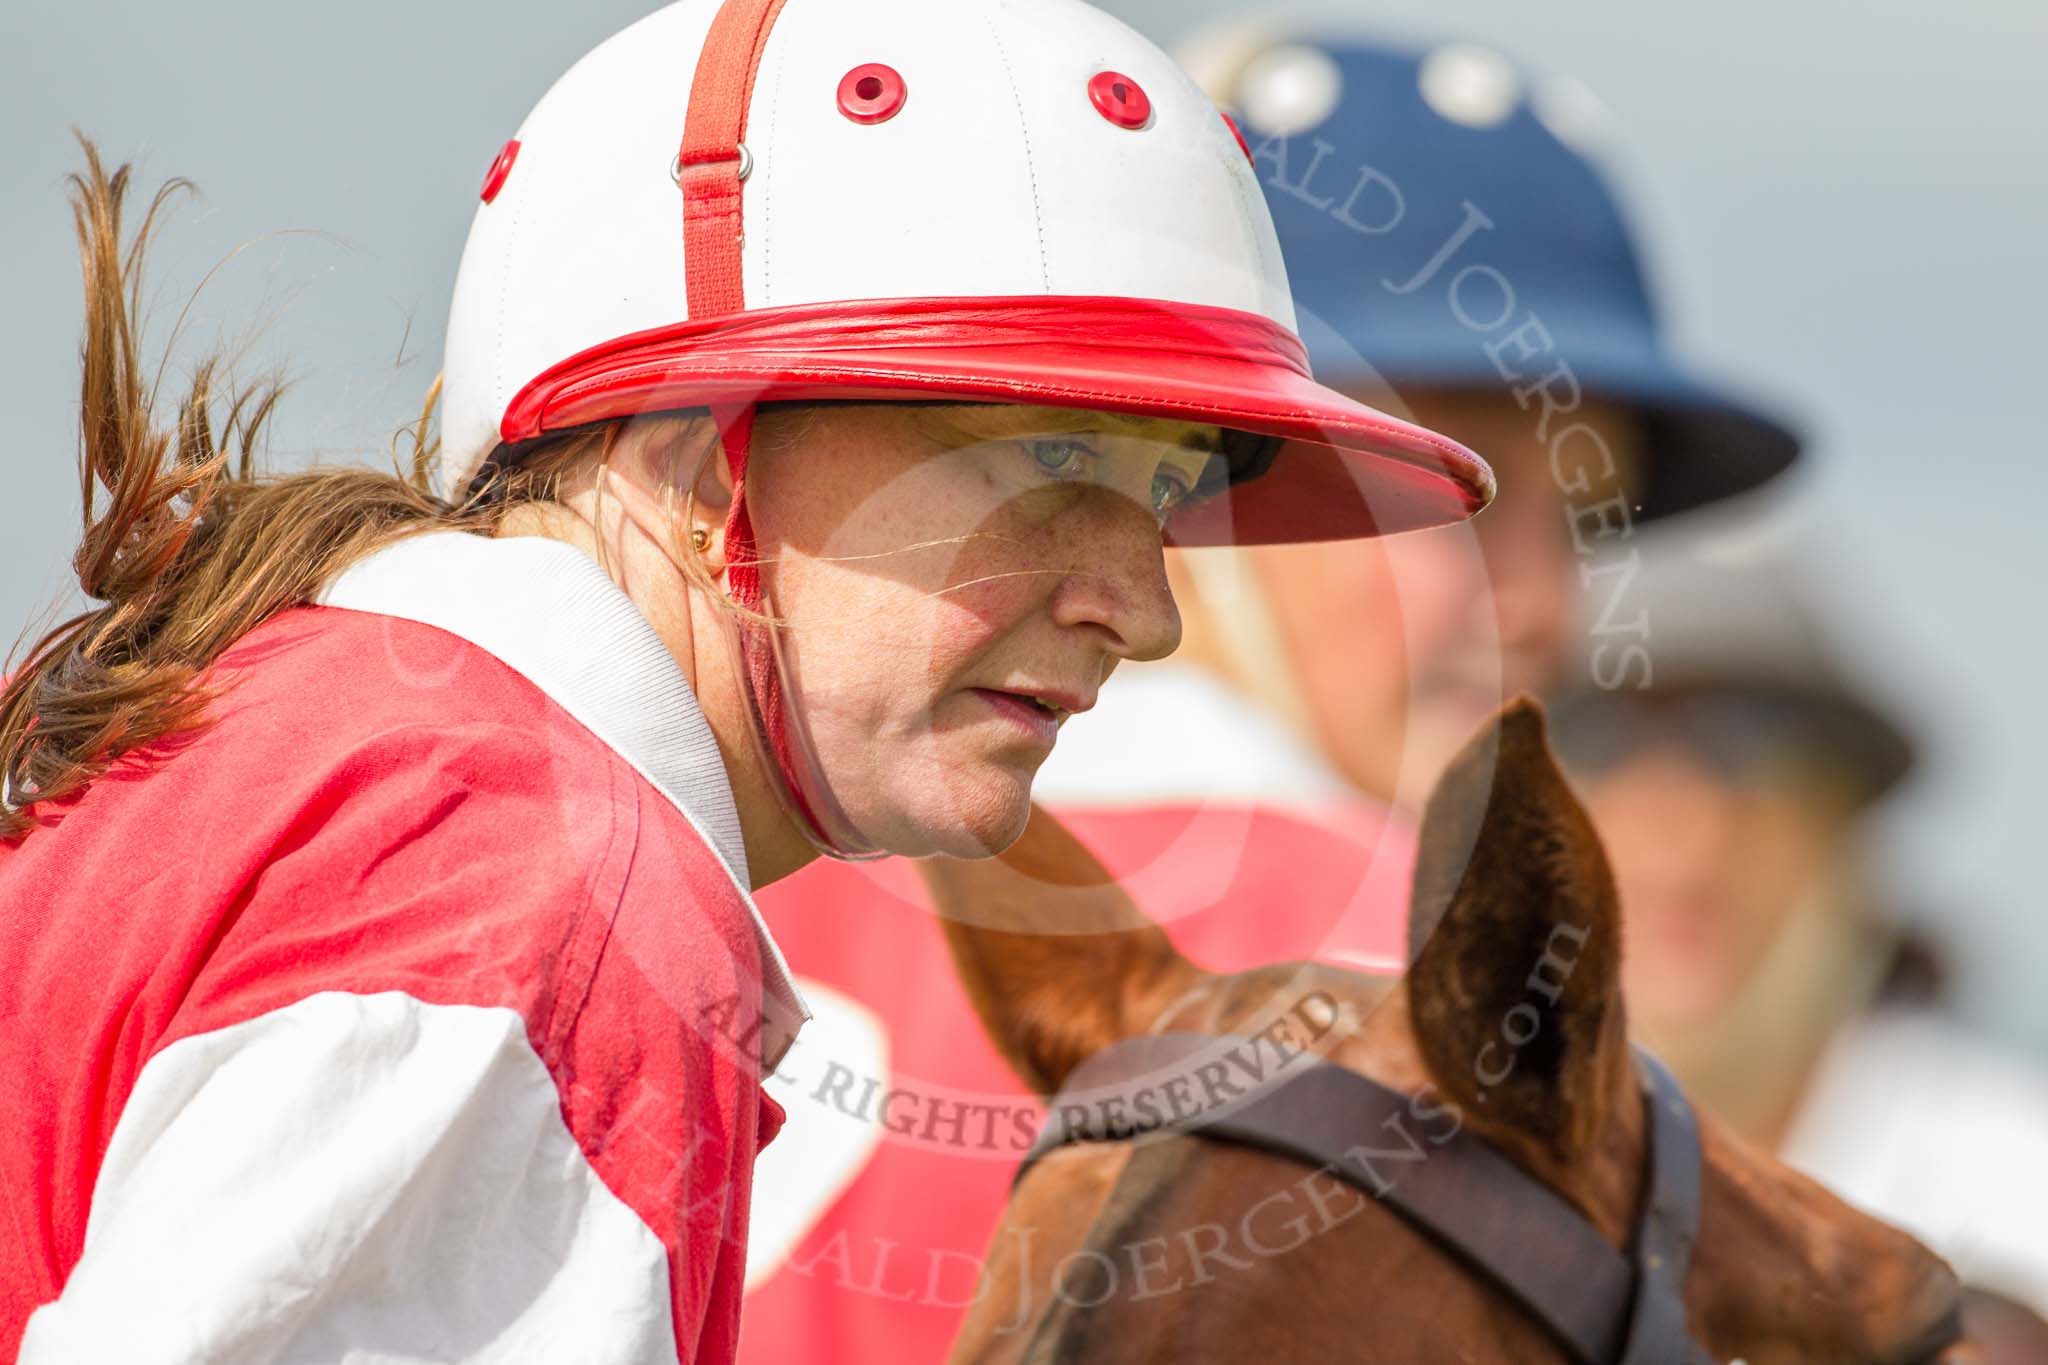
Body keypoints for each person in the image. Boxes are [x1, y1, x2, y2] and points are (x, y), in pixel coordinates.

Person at [0, 1, 1492, 1359]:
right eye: (1047, 458)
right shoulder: (545, 897)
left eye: (1163, 494)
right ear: (690, 456)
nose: (1146, 612)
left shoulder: (337, 743)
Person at [740, 30, 1798, 1363]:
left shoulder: (769, 864)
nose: (1535, 599)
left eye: (1574, 519)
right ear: (1202, 467)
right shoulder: (1396, 952)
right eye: (1439, 492)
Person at [1549, 529, 2048, 1321]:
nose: (1681, 828)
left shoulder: (2020, 1190)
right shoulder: (1411, 1180)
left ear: (1843, 823)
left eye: (1744, 739)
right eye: (1596, 738)